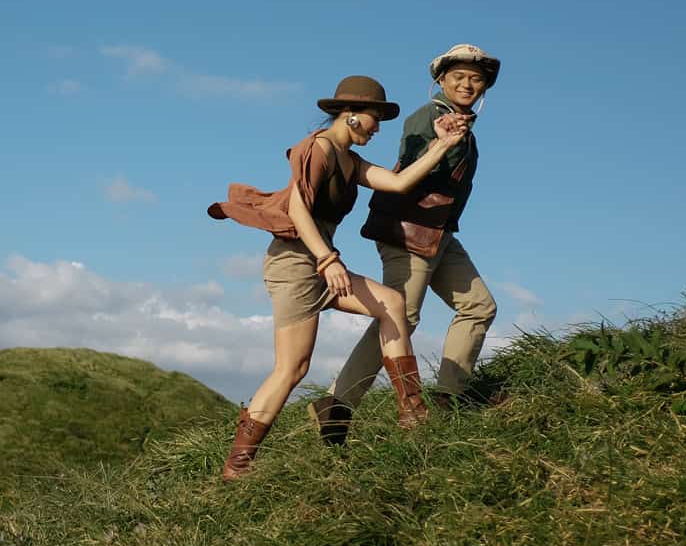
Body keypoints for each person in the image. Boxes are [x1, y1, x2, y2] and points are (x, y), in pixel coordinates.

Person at [207, 75, 470, 480]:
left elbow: (398, 182)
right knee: (292, 368)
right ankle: (238, 465)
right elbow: (297, 210)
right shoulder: (318, 149)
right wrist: (329, 260)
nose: (378, 127)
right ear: (350, 115)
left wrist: (441, 145)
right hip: (297, 264)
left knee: (392, 303)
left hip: (319, 262)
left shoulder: (351, 160)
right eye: (374, 118)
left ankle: (413, 413)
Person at [313, 44, 502, 445]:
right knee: (401, 316)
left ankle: (449, 398)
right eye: (459, 77)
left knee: (479, 306)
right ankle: (337, 405)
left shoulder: (464, 126)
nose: (467, 84)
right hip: (409, 233)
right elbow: (412, 157)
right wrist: (435, 144)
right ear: (441, 81)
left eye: (476, 79)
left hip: (440, 234)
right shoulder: (428, 118)